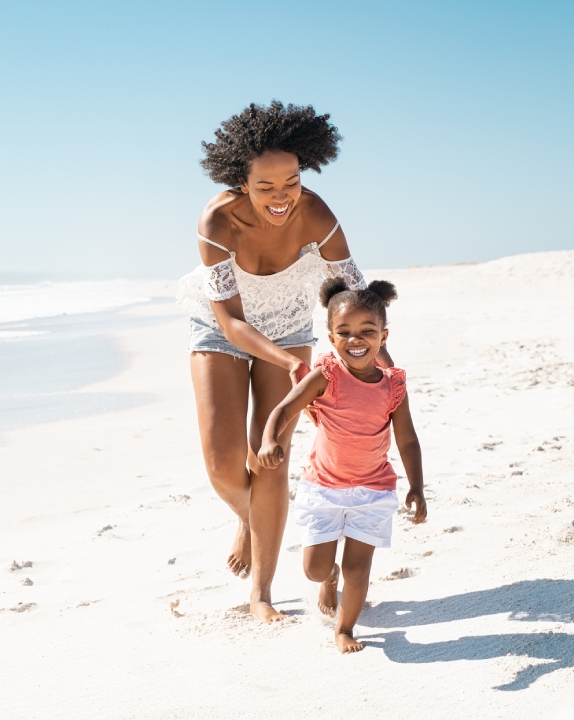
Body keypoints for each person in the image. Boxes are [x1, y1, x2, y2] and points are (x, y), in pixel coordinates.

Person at [177, 101, 388, 623]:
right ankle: (250, 519)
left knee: (269, 452)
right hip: (224, 326)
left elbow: (356, 298)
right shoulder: (217, 220)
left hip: (290, 322)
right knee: (225, 464)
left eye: (291, 181)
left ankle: (261, 592)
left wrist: (381, 369)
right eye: (266, 186)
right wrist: (292, 365)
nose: (282, 197)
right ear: (240, 182)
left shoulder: (316, 212)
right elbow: (230, 323)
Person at [258, 277, 427, 652]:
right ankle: (328, 577)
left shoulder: (393, 386)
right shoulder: (327, 376)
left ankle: (345, 629)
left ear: (383, 337)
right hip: (323, 488)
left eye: (368, 331)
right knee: (315, 568)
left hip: (373, 490)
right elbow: (285, 408)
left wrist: (416, 486)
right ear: (332, 339)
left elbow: (407, 439)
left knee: (358, 568)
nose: (356, 339)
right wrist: (270, 439)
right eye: (345, 332)